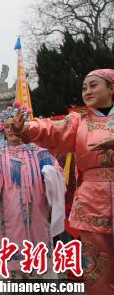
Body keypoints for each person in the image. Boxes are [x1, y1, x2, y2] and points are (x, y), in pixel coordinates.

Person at [11, 69, 114, 292]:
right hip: (93, 202)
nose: (87, 91)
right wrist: (26, 128)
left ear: (111, 88)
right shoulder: (79, 121)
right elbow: (52, 130)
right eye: (84, 87)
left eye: (93, 85)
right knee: (96, 266)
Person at [0, 102, 65, 279]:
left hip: (39, 214)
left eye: (15, 125)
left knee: (40, 248)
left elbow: (58, 177)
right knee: (12, 249)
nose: (11, 130)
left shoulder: (41, 152)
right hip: (11, 215)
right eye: (7, 127)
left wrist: (52, 175)